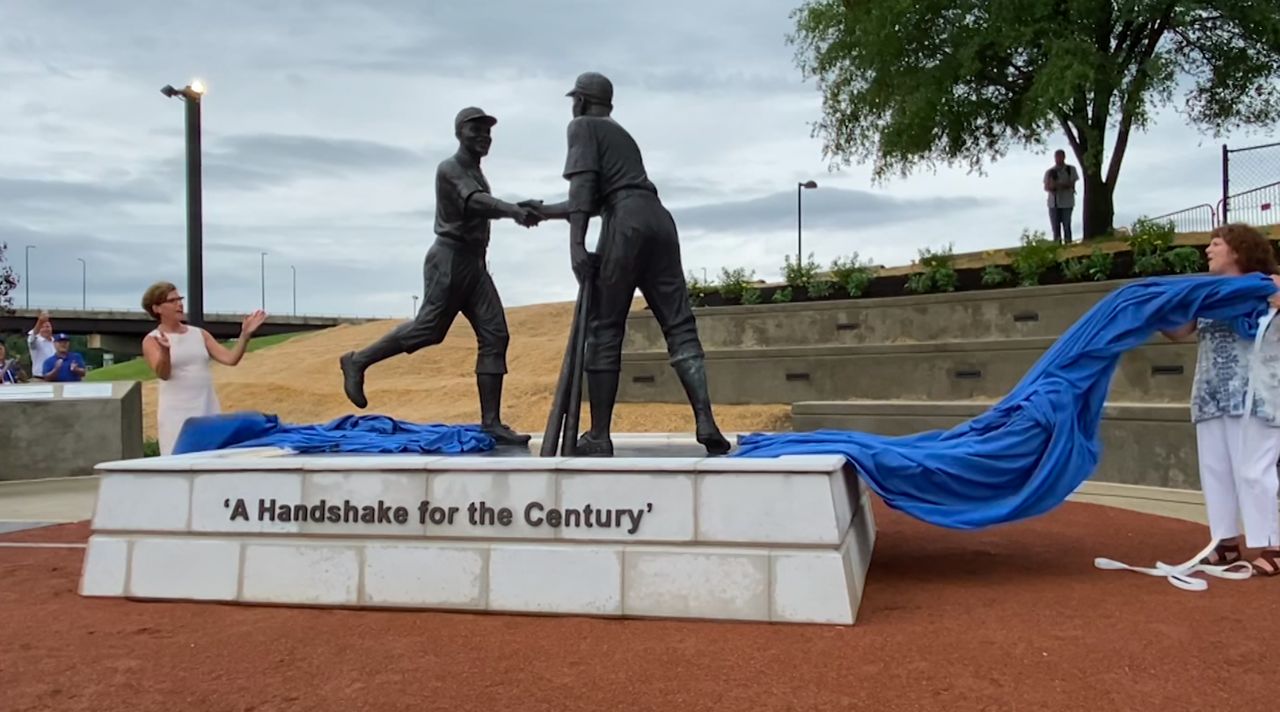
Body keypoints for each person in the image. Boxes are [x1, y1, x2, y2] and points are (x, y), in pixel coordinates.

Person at [521, 72, 730, 457]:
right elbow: (598, 196)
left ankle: (599, 435)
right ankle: (705, 419)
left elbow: (584, 191)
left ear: (581, 101)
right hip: (659, 220)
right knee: (679, 325)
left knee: (603, 328)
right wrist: (541, 211)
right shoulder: (621, 136)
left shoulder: (581, 126)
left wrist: (577, 246)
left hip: (626, 224)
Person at [339, 107, 542, 447]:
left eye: (488, 132)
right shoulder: (450, 169)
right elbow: (476, 203)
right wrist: (512, 210)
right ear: (460, 132)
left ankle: (491, 423)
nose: (484, 137)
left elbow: (486, 201)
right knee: (428, 331)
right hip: (449, 260)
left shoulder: (476, 173)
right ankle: (357, 361)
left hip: (474, 264)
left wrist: (518, 207)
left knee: (495, 335)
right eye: (476, 130)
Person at [1161, 223, 1280, 577]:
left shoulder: (1269, 284)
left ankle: (1273, 543)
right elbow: (1179, 331)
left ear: (1239, 251)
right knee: (1217, 470)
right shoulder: (1209, 295)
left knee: (1254, 469)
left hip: (1255, 394)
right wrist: (1154, 309)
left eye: (1216, 244)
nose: (1208, 250)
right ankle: (1225, 542)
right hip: (1212, 394)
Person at [140, 281, 268, 456]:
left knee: (211, 457)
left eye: (180, 299)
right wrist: (165, 350)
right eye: (172, 301)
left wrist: (245, 336)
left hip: (206, 407)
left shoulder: (199, 333)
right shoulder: (152, 340)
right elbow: (163, 374)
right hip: (176, 413)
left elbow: (230, 359)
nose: (179, 304)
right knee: (178, 461)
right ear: (157, 308)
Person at [1044, 150, 1079, 244]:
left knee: (1067, 226)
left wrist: (1057, 185)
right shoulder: (1050, 172)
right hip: (1053, 203)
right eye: (1057, 157)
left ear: (1064, 157)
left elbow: (1072, 184)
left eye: (1060, 156)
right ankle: (1057, 246)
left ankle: (1068, 245)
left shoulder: (1070, 169)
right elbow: (1047, 187)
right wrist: (1056, 186)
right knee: (1055, 227)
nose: (1058, 159)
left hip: (1067, 202)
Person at [26, 312, 56, 379]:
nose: (46, 329)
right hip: (39, 378)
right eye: (42, 327)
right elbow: (33, 336)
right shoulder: (36, 342)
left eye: (48, 327)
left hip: (54, 378)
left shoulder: (56, 342)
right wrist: (40, 321)